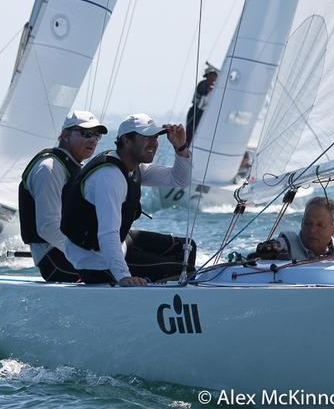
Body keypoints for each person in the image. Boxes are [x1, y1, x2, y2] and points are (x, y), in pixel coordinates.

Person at [61, 113, 197, 287]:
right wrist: (124, 276)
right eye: (147, 137)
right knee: (182, 269)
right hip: (95, 261)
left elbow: (179, 180)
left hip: (118, 244)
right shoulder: (109, 176)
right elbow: (107, 232)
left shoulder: (133, 166)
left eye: (155, 137)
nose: (154, 143)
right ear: (126, 140)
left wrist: (181, 148)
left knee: (187, 247)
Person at [19, 110, 108, 282]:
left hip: (71, 252)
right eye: (86, 134)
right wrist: (87, 255)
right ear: (66, 135)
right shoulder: (49, 169)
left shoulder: (71, 166)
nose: (92, 140)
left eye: (96, 136)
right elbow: (48, 228)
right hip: (54, 259)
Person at [249, 197, 334, 261]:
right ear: (301, 223)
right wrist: (266, 252)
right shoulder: (284, 246)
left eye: (320, 225)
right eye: (308, 223)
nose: (312, 230)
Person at [185, 62, 219, 144]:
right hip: (196, 112)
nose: (213, 79)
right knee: (191, 135)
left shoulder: (215, 88)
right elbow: (204, 94)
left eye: (214, 77)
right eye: (211, 77)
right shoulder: (203, 84)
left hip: (205, 114)